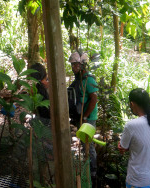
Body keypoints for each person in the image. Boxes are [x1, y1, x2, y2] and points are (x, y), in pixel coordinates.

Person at [117, 88, 150, 188]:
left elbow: (123, 147)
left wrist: (124, 147)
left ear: (132, 104)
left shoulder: (131, 125)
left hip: (139, 180)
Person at [68, 50, 99, 182]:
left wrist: (85, 116)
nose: (73, 67)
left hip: (89, 118)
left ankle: (93, 172)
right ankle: (85, 165)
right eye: (72, 65)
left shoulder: (89, 80)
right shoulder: (78, 80)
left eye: (76, 65)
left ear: (82, 65)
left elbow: (94, 99)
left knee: (89, 144)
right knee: (83, 141)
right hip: (82, 116)